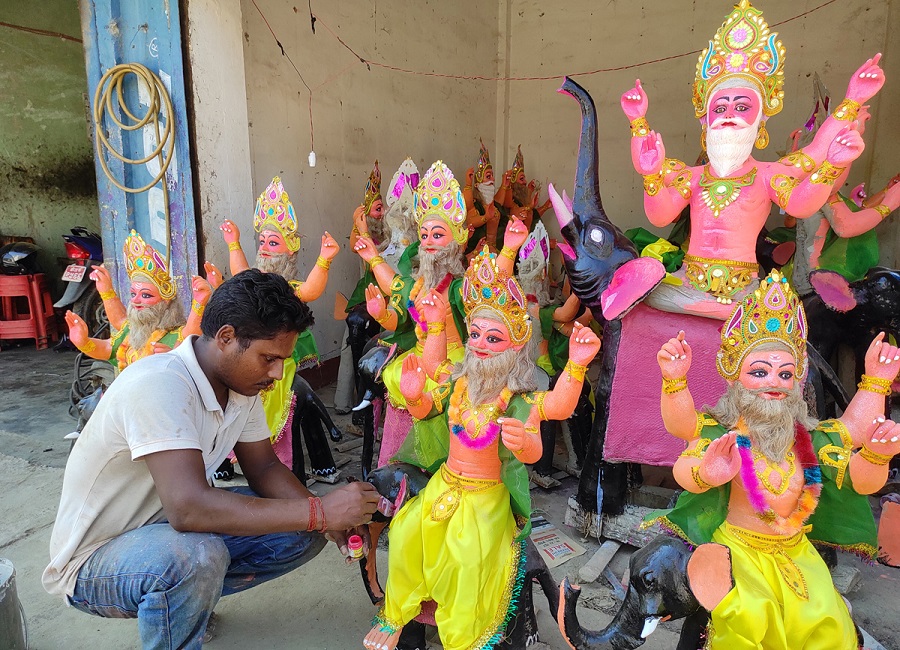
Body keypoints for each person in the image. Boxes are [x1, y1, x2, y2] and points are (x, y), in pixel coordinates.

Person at [43, 269, 381, 650]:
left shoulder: (241, 385)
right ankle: (178, 607)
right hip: (95, 561)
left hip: (163, 532)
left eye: (282, 360)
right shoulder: (160, 383)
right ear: (226, 338)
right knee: (197, 556)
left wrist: (320, 517)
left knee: (299, 529)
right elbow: (188, 509)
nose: (276, 373)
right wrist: (320, 512)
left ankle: (185, 601)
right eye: (268, 358)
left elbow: (265, 468)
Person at [363, 247, 602, 650]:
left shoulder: (517, 398)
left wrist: (576, 366)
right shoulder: (458, 384)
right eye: (475, 334)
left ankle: (465, 636)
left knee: (470, 557)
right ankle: (395, 615)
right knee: (404, 532)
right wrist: (415, 391)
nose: (481, 345)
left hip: (487, 498)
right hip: (445, 483)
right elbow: (425, 406)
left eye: (494, 338)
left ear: (514, 346)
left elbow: (554, 411)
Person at [648, 268, 900, 648]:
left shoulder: (808, 439)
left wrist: (877, 414)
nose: (774, 383)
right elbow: (685, 442)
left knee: (827, 620)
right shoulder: (727, 434)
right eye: (760, 371)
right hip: (738, 551)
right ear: (735, 376)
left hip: (796, 552)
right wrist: (675, 383)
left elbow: (855, 452)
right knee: (748, 615)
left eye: (785, 375)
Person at [620, 0, 886, 319]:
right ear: (705, 121)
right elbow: (660, 215)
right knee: (644, 285)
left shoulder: (769, 175)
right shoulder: (689, 176)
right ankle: (709, 307)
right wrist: (640, 130)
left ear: (761, 120)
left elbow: (804, 193)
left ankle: (722, 309)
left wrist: (853, 101)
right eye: (720, 108)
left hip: (743, 293)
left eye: (742, 107)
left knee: (777, 314)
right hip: (688, 286)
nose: (729, 115)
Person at [207, 177, 343, 482]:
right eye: (263, 243)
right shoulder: (252, 284)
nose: (266, 250)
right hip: (248, 361)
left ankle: (281, 464)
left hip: (278, 366)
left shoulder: (288, 289)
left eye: (274, 243)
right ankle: (227, 458)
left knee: (280, 408)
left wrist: (325, 259)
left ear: (289, 250)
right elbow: (240, 273)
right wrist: (233, 243)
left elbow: (310, 290)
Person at [66, 230, 210, 371]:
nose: (136, 300)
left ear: (166, 301)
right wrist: (83, 342)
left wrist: (200, 303)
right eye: (133, 294)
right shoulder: (130, 331)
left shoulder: (176, 335)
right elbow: (106, 349)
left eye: (146, 295)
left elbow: (191, 335)